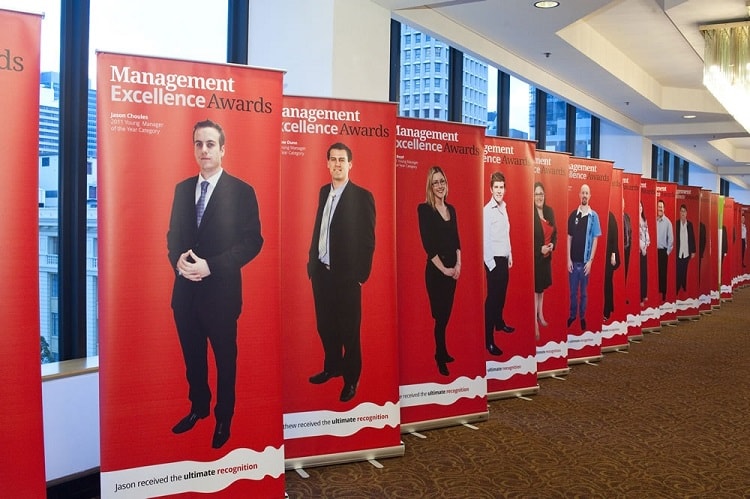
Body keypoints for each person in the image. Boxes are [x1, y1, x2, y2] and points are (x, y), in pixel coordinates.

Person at [167, 119, 263, 449]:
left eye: (210, 144)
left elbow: (253, 241)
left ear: (223, 149)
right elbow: (172, 237)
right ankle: (199, 408)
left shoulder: (241, 191)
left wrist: (211, 267)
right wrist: (177, 261)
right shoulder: (181, 190)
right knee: (193, 358)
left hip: (221, 295)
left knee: (224, 361)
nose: (204, 149)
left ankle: (224, 417)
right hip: (185, 295)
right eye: (198, 144)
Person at [307, 142, 375, 403]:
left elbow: (368, 239)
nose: (337, 164)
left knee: (349, 331)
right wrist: (312, 261)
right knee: (325, 326)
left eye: (341, 160)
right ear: (327, 164)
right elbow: (320, 229)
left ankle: (351, 379)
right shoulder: (324, 192)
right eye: (333, 159)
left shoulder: (362, 196)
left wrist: (360, 275)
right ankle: (332, 366)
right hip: (321, 273)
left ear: (350, 164)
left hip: (347, 278)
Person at [418, 166, 461, 376]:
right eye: (435, 182)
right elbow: (428, 246)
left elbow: (457, 240)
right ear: (430, 186)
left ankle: (442, 352)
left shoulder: (451, 210)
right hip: (436, 273)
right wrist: (444, 269)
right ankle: (439, 355)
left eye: (442, 181)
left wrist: (458, 266)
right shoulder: (424, 210)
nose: (439, 186)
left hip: (453, 272)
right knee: (440, 317)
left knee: (446, 316)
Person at [483, 171, 513, 356]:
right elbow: (485, 240)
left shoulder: (504, 207)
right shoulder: (487, 211)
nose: (499, 191)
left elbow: (505, 234)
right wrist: (491, 264)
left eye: (502, 187)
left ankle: (500, 323)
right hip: (493, 261)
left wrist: (510, 254)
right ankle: (489, 341)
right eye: (496, 187)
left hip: (504, 258)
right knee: (492, 300)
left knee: (502, 296)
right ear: (491, 189)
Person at [566, 184, 601, 331]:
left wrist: (591, 262)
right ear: (579, 195)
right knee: (573, 292)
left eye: (587, 193)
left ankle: (582, 317)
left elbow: (595, 239)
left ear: (590, 195)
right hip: (573, 263)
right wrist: (568, 259)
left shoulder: (594, 216)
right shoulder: (573, 215)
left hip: (586, 263)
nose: (585, 195)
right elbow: (569, 238)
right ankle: (573, 315)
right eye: (583, 193)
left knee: (584, 294)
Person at [532, 181, 556, 341]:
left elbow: (556, 233)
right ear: (532, 197)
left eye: (541, 194)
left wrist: (552, 245)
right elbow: (527, 238)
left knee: (542, 290)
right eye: (536, 194)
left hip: (547, 258)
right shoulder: (530, 213)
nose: (539, 197)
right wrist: (539, 249)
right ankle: (533, 321)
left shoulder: (549, 211)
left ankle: (540, 315)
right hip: (536, 258)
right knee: (535, 290)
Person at [675, 204, 696, 297]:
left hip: (686, 251)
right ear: (679, 213)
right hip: (679, 251)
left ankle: (684, 285)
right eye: (681, 211)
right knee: (678, 270)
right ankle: (677, 286)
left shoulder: (690, 225)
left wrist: (693, 251)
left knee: (685, 270)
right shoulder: (676, 224)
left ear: (686, 213)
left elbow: (692, 238)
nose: (683, 213)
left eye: (684, 211)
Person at [603, 211, 620, 321]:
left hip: (610, 256)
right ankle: (609, 307)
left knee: (607, 282)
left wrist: (613, 254)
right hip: (600, 255)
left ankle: (607, 310)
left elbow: (615, 236)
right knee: (605, 283)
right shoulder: (596, 213)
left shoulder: (611, 216)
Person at [656, 199, 674, 302]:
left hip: (663, 252)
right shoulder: (654, 220)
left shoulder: (668, 222)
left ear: (664, 208)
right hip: (655, 252)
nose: (660, 209)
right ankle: (656, 293)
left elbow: (671, 240)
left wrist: (667, 253)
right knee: (656, 274)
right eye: (658, 207)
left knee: (663, 274)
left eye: (661, 207)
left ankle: (663, 294)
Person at [639, 201, 651, 307]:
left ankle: (644, 294)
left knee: (644, 273)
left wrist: (646, 245)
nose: (640, 208)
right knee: (640, 274)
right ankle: (640, 298)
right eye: (638, 206)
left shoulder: (644, 220)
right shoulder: (635, 219)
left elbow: (647, 234)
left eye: (641, 206)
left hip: (644, 250)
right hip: (639, 251)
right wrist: (642, 247)